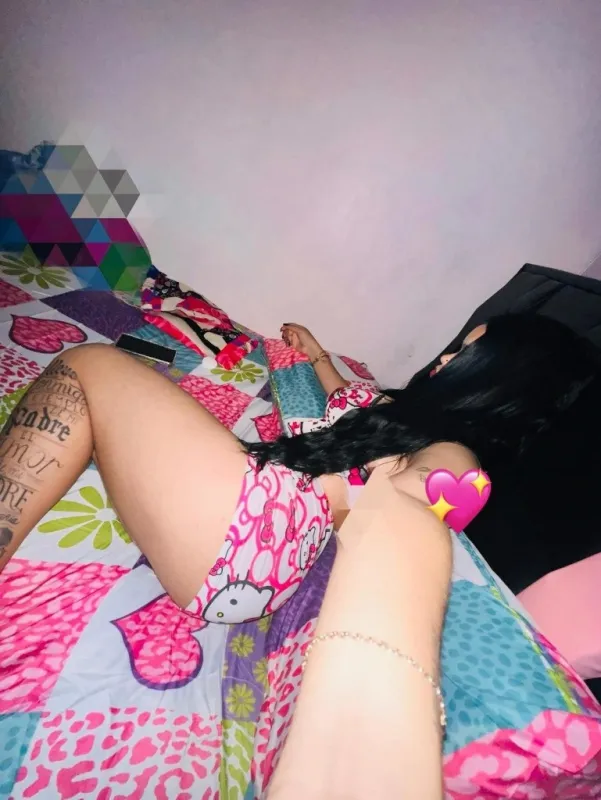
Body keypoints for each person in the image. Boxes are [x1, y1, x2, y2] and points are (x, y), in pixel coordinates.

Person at [0, 312, 596, 797]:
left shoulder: (459, 458)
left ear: (502, 379)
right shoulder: (408, 419)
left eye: (467, 354)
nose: (444, 358)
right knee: (111, 401)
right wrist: (316, 355)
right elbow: (351, 400)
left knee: (91, 364)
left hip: (251, 527)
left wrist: (369, 734)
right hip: (251, 544)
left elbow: (415, 515)